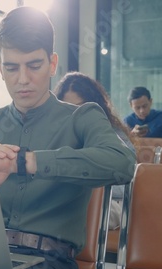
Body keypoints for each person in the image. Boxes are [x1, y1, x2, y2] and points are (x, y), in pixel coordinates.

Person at [0, 7, 136, 269]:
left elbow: (122, 163)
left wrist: (23, 161)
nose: (22, 79)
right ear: (0, 68)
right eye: (11, 67)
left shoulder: (82, 117)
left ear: (52, 64)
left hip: (49, 264)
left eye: (34, 65)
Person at [54, 71, 136, 230]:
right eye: (67, 108)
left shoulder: (114, 136)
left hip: (111, 203)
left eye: (80, 108)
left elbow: (127, 183)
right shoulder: (58, 137)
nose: (74, 115)